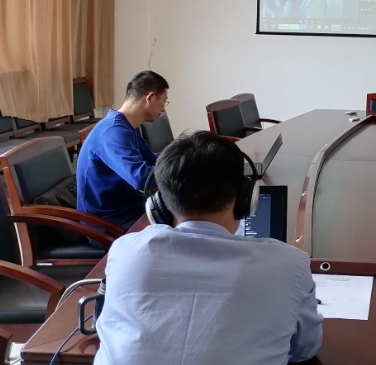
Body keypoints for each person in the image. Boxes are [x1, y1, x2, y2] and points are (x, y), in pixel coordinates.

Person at [93, 131, 323, 365]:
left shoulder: (125, 251)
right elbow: (305, 349)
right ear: (247, 198)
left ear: (158, 205)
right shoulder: (289, 264)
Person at [77, 71, 168, 229]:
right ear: (150, 97)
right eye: (164, 101)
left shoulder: (128, 126)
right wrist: (180, 175)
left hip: (130, 208)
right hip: (108, 221)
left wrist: (182, 163)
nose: (164, 108)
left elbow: (152, 159)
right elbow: (141, 178)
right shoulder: (113, 131)